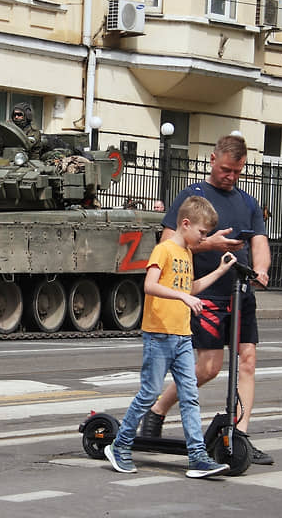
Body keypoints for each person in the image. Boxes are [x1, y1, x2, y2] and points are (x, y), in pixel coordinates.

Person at [140, 134, 273, 466]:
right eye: (226, 169)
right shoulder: (192, 197)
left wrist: (261, 268)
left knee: (248, 361)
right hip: (206, 294)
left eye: (237, 172)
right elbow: (169, 244)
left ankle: (240, 437)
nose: (230, 176)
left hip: (240, 293)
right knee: (209, 368)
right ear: (213, 160)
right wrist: (209, 245)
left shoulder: (247, 202)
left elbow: (259, 240)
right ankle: (157, 410)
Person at [105, 196, 236, 478]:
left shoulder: (187, 253)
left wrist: (220, 271)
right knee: (149, 394)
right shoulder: (164, 250)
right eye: (201, 233)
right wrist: (182, 296)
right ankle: (120, 445)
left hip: (182, 336)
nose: (203, 239)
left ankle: (198, 458)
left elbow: (191, 287)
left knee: (190, 397)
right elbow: (150, 286)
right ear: (185, 224)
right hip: (159, 336)